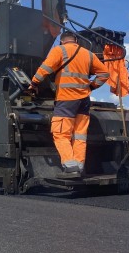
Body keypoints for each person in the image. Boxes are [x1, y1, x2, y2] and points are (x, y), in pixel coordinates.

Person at [28, 30, 110, 177]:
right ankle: (79, 166)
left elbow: (46, 68)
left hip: (66, 98)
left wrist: (34, 83)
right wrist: (91, 86)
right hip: (84, 100)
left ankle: (70, 166)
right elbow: (104, 74)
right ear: (76, 41)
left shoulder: (59, 50)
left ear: (62, 41)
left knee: (61, 133)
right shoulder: (88, 54)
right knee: (79, 135)